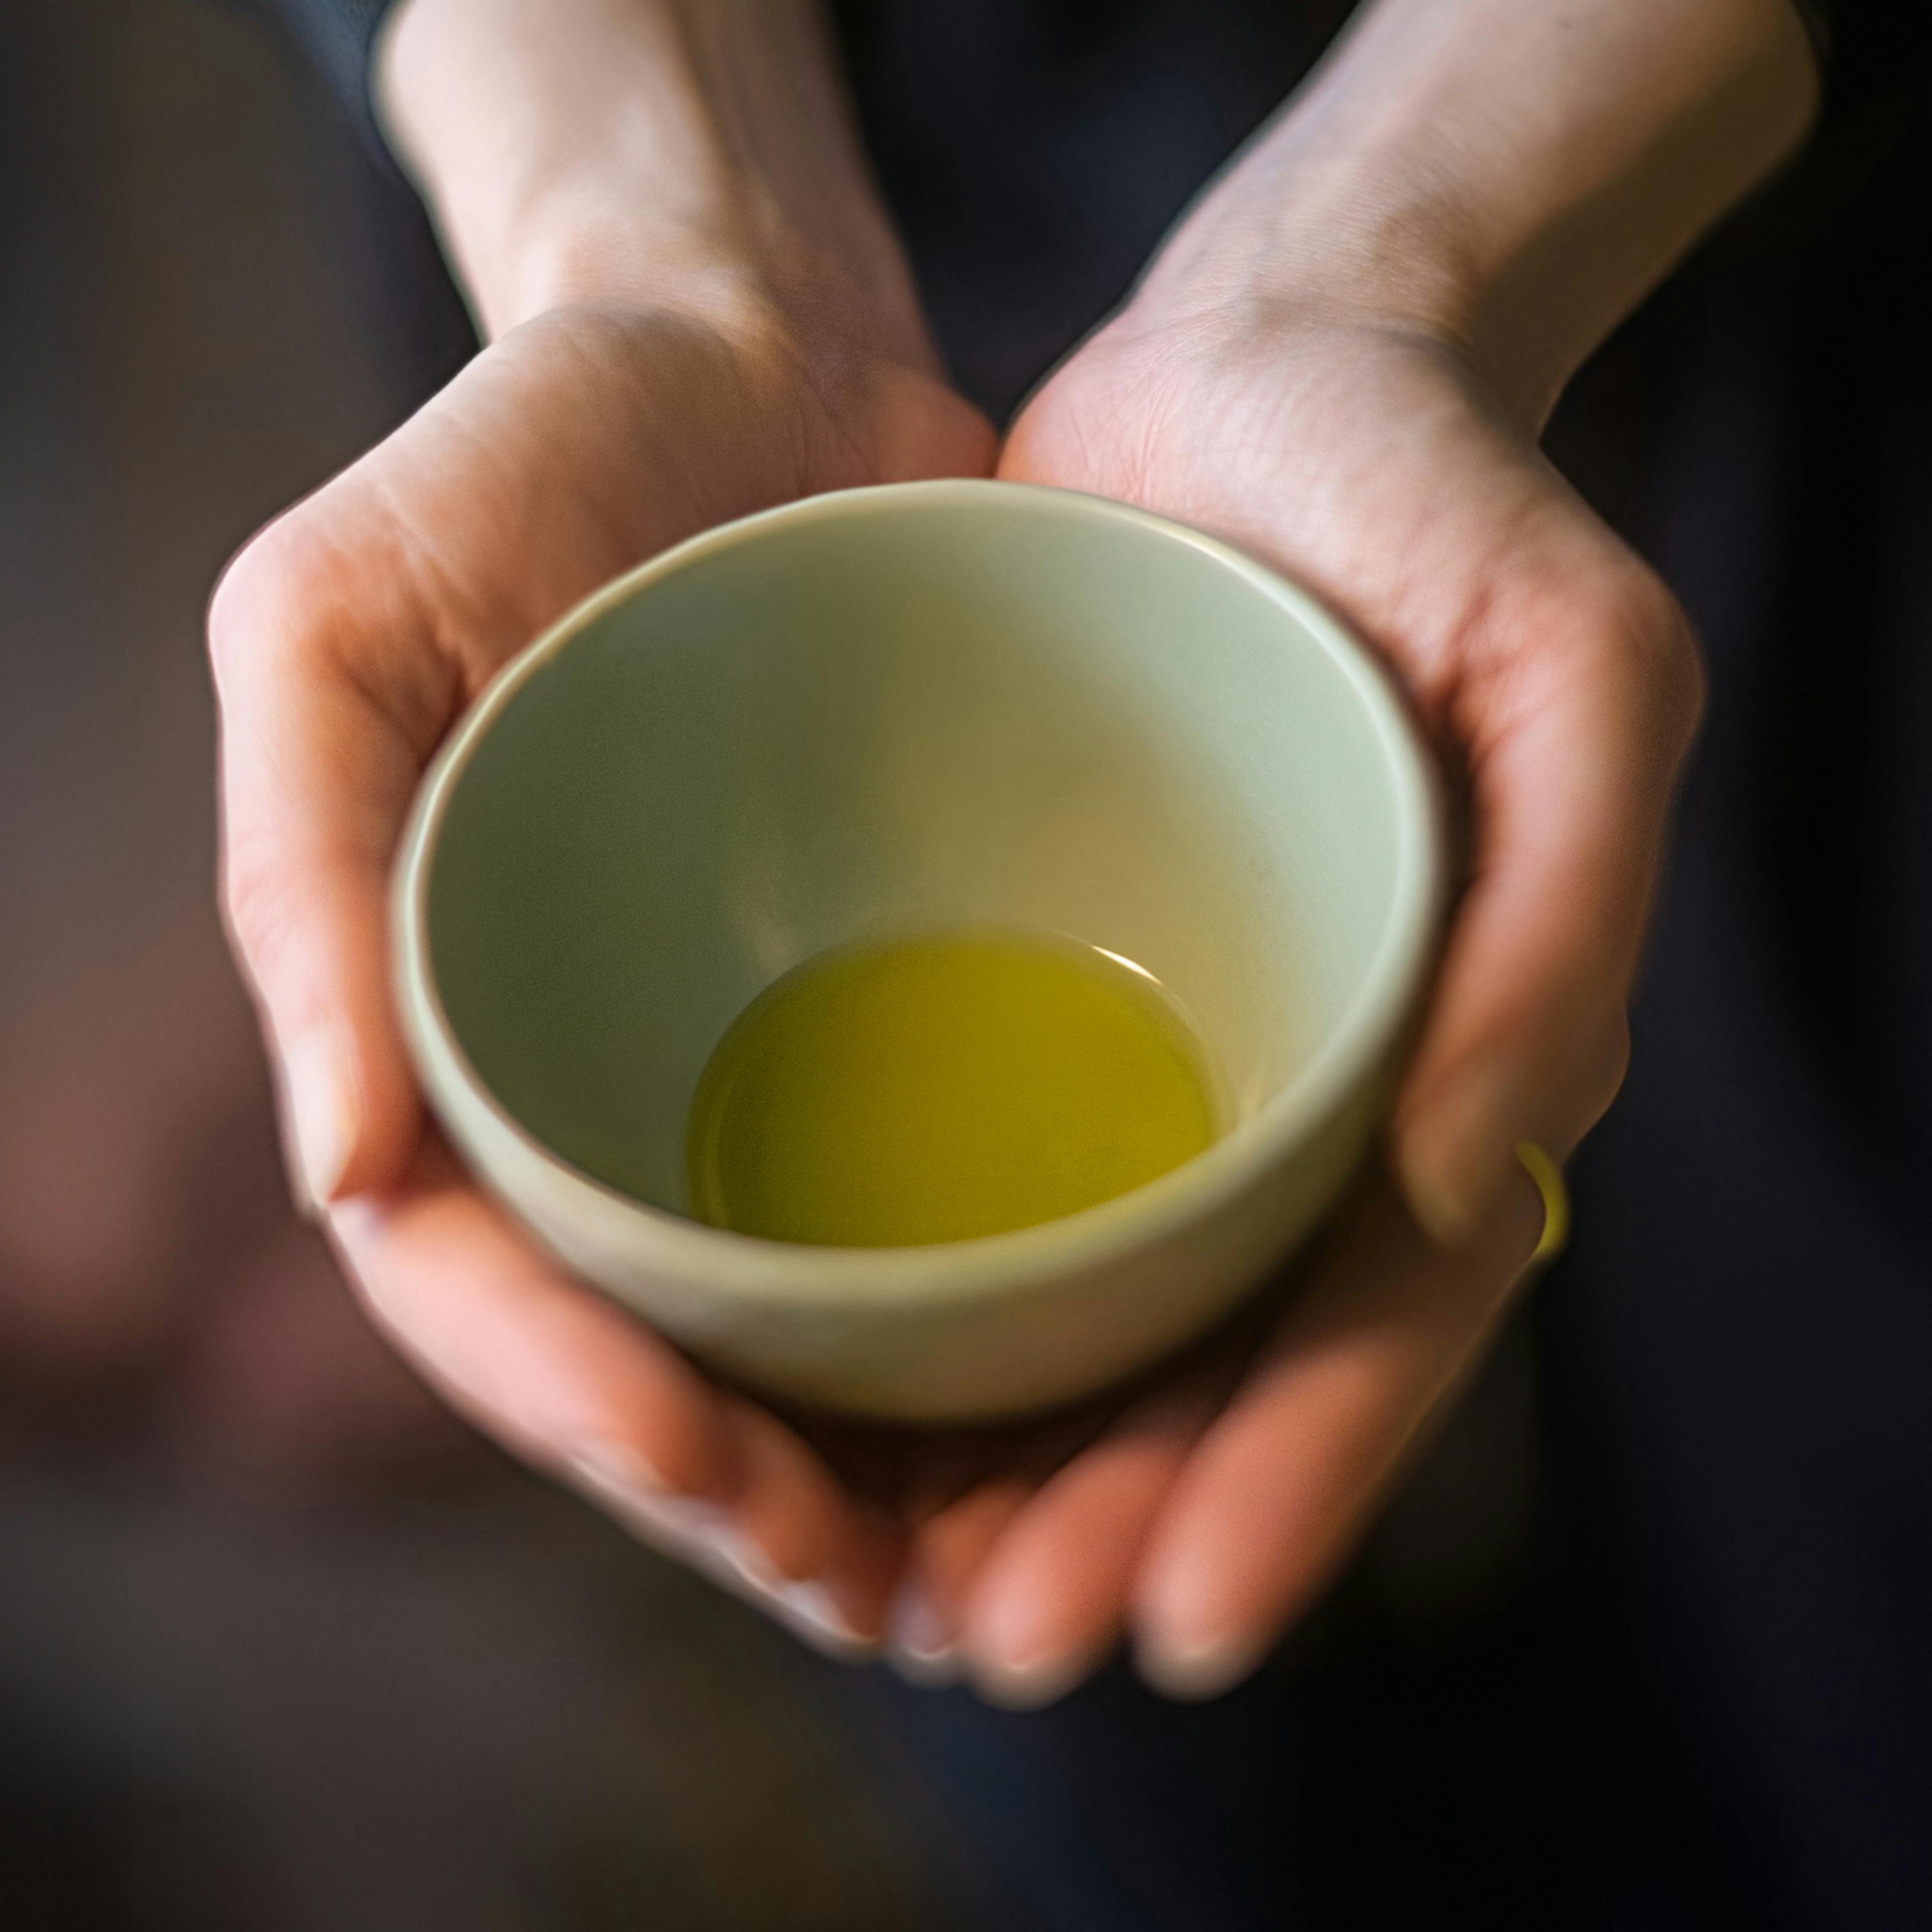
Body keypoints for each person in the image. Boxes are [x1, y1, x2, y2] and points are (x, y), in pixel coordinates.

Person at [214, 0, 1932, 1922]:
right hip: (710, 372)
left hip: (1764, 218)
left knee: (1853, 1517)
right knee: (1096, 1719)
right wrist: (668, 234)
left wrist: (1392, 257)